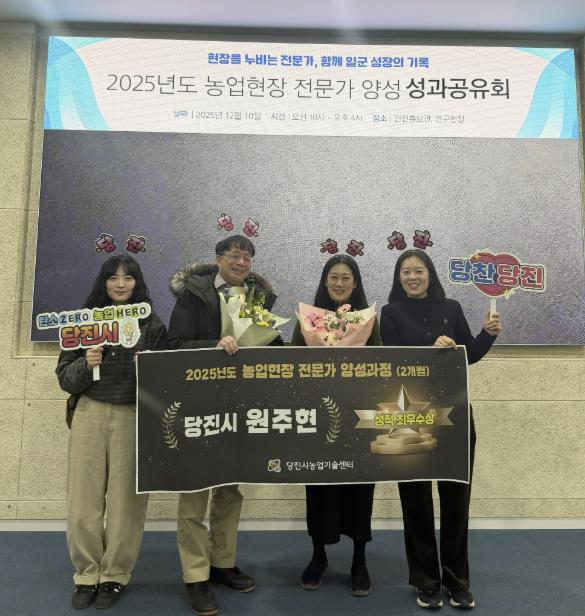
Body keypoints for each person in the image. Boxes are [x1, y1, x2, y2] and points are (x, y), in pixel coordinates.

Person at [380, 249, 502, 610]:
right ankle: (426, 582)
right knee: (415, 501)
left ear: (430, 274)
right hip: (409, 416)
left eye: (419, 270)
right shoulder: (390, 313)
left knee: (456, 501)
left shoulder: (451, 308)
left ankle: (457, 581)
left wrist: (486, 334)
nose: (412, 277)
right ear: (399, 278)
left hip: (455, 414)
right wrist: (429, 348)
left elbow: (469, 354)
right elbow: (392, 361)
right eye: (405, 272)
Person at [168, 235, 282, 616]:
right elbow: (174, 345)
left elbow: (271, 344)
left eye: (248, 257)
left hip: (239, 406)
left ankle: (222, 563)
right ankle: (195, 576)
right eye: (235, 255)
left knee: (230, 490)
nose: (242, 262)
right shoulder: (194, 294)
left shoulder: (255, 299)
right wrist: (213, 347)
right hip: (199, 405)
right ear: (218, 259)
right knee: (195, 491)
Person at [56, 255, 167, 610]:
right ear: (103, 282)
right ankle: (86, 574)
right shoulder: (85, 321)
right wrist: (86, 365)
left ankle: (115, 575)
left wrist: (149, 368)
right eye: (113, 277)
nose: (120, 284)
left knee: (126, 503)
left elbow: (166, 381)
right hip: (90, 412)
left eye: (128, 278)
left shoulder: (151, 324)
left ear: (138, 283)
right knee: (83, 500)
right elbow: (64, 377)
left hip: (133, 416)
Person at [290, 254, 381, 596]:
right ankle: (318, 556)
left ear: (355, 283)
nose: (339, 283)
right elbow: (292, 365)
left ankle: (360, 560)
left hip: (359, 420)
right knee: (319, 489)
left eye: (346, 277)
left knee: (360, 490)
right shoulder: (307, 320)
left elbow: (382, 365)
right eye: (333, 277)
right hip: (318, 418)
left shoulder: (369, 320)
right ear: (325, 281)